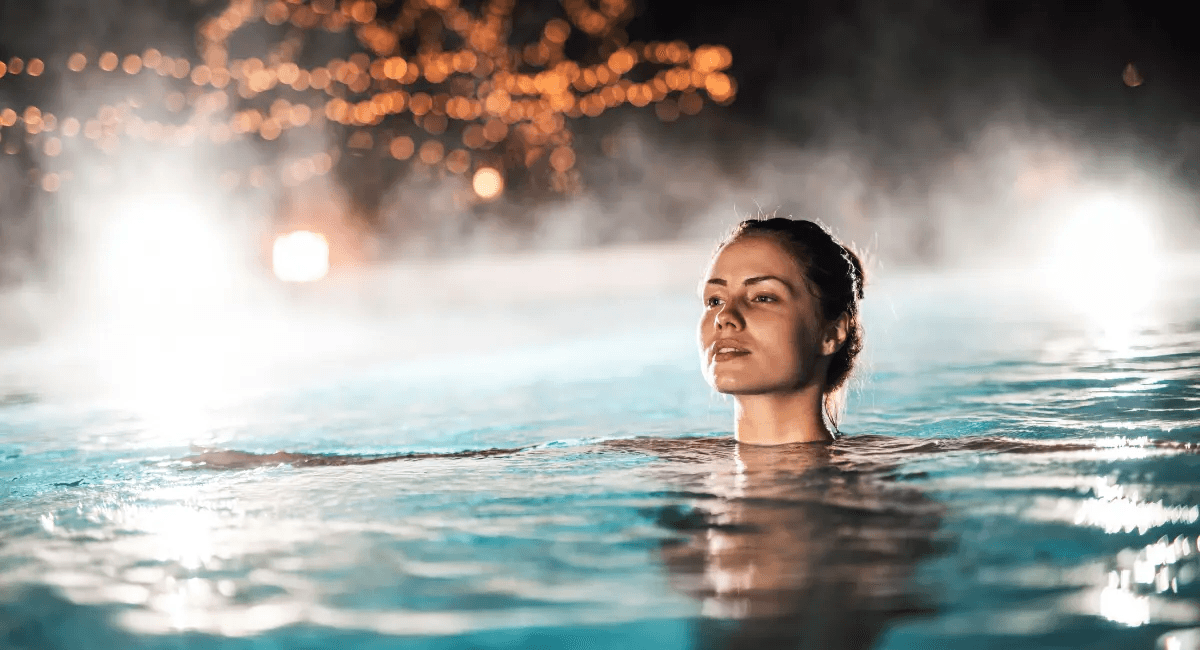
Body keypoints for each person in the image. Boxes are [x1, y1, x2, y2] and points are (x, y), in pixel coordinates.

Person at [698, 217, 864, 445]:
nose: (724, 316)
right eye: (715, 301)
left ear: (832, 333)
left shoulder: (877, 475)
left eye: (763, 297)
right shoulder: (667, 465)